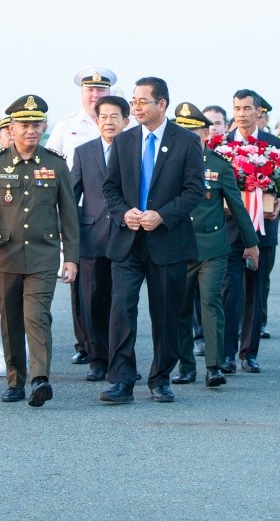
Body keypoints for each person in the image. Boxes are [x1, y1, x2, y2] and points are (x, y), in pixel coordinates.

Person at [99, 76, 202, 404]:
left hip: (167, 241)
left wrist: (163, 215)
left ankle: (160, 378)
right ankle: (121, 380)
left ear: (162, 104)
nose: (136, 107)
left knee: (166, 313)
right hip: (128, 241)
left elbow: (194, 191)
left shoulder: (186, 141)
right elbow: (110, 188)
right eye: (134, 101)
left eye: (143, 101)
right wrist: (122, 213)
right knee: (121, 309)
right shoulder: (124, 141)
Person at [0, 96, 80, 407]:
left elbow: (69, 214)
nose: (31, 130)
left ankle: (40, 379)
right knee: (9, 320)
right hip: (5, 254)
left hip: (43, 255)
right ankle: (15, 380)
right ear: (11, 128)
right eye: (24, 125)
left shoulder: (55, 164)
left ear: (44, 127)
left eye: (36, 124)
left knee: (37, 316)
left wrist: (71, 257)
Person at [173, 102, 259, 388]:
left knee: (211, 302)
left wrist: (251, 243)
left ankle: (214, 366)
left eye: (193, 131)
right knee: (181, 308)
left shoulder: (219, 165)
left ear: (205, 134)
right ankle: (186, 366)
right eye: (181, 130)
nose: (187, 136)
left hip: (212, 247)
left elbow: (237, 206)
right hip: (179, 247)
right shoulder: (168, 164)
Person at [47, 67, 117, 367]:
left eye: (101, 90)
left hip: (117, 219)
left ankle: (108, 349)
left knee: (112, 291)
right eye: (90, 90)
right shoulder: (67, 125)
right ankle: (86, 344)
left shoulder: (122, 126)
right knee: (82, 291)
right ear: (82, 93)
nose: (95, 95)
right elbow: (51, 169)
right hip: (80, 216)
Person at [226, 89, 280, 373]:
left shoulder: (275, 145)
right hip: (229, 231)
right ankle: (226, 353)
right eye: (237, 108)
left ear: (258, 112)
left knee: (255, 291)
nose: (242, 114)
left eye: (247, 108)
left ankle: (248, 353)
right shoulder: (221, 144)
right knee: (228, 291)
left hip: (263, 231)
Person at [70, 96, 128, 382]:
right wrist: (67, 238)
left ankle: (120, 359)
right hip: (91, 238)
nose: (108, 122)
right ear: (96, 121)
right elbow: (71, 196)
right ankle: (97, 359)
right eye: (103, 116)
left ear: (126, 121)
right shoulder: (84, 152)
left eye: (114, 116)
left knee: (121, 303)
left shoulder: (134, 151)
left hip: (126, 236)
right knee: (92, 301)